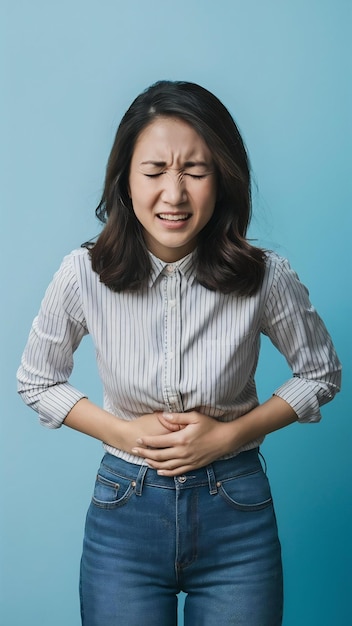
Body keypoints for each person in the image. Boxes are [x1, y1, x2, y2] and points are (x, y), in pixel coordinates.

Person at [17, 80, 341, 626]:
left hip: (237, 511)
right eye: (154, 172)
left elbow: (321, 373)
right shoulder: (84, 274)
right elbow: (37, 381)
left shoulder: (265, 277)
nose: (174, 194)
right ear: (124, 181)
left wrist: (229, 435)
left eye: (195, 171)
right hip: (125, 515)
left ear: (222, 179)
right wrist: (123, 433)